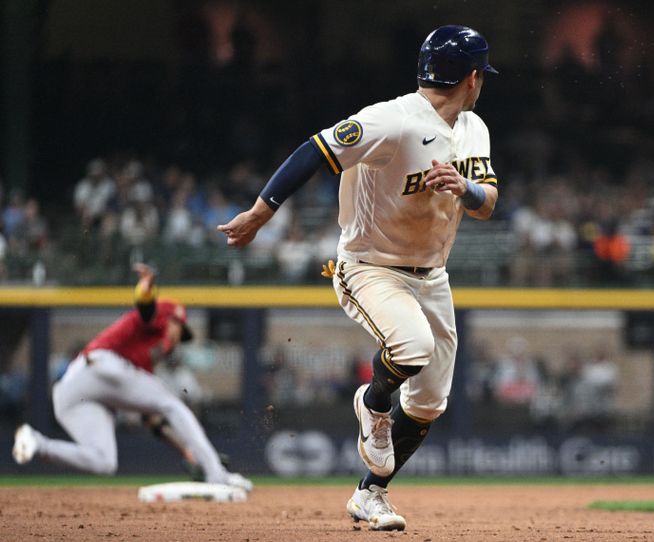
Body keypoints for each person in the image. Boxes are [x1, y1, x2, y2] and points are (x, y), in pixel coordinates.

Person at [218, 25, 498, 530]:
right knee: (412, 348)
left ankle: (371, 494)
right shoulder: (392, 119)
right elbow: (315, 151)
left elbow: (488, 203)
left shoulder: (472, 129)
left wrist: (465, 188)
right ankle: (373, 404)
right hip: (368, 267)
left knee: (431, 402)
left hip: (432, 277)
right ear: (473, 77)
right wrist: (262, 212)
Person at [11, 263, 252, 492]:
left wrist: (187, 453)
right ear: (173, 321)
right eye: (181, 330)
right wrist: (146, 286)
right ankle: (217, 475)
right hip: (102, 365)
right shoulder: (159, 321)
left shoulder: (143, 367)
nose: (180, 339)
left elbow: (152, 420)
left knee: (104, 463)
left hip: (72, 394)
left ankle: (36, 443)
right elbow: (146, 306)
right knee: (173, 404)